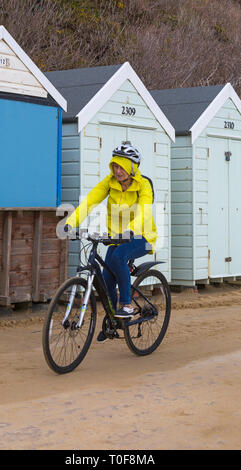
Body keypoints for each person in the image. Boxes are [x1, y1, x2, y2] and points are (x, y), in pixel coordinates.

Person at [64, 141, 158, 342]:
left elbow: (144, 210)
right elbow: (89, 201)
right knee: (106, 281)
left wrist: (130, 230)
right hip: (116, 237)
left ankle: (126, 304)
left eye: (122, 166)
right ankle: (112, 323)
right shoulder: (109, 182)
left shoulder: (144, 185)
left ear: (132, 167)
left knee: (118, 258)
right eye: (115, 165)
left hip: (142, 236)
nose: (117, 170)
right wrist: (71, 223)